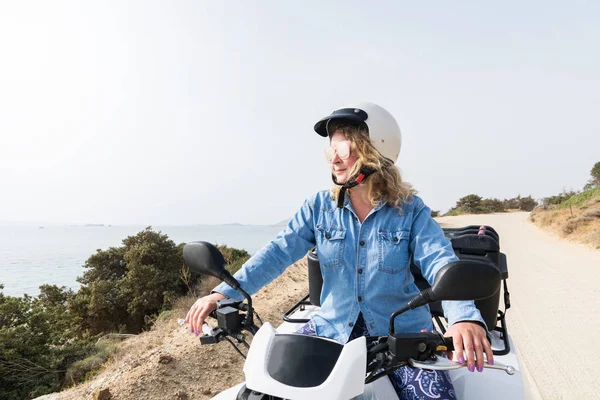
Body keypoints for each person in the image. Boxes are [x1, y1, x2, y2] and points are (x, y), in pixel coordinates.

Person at [186, 102, 492, 399]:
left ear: (376, 151)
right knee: (269, 385)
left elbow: (441, 261)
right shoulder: (319, 208)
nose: (334, 160)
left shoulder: (409, 211)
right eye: (330, 151)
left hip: (401, 336)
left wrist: (463, 317)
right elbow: (278, 251)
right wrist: (225, 293)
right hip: (330, 329)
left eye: (343, 150)